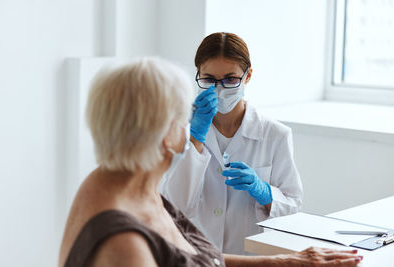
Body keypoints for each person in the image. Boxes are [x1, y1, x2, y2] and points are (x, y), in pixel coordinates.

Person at [58, 57, 362, 267]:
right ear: (166, 134)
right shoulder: (124, 246)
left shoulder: (122, 181)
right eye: (184, 119)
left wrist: (286, 261)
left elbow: (192, 256)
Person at [160, 32, 303, 254]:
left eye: (230, 79)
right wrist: (195, 138)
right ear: (198, 75)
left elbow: (293, 209)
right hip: (198, 255)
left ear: (247, 76)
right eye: (208, 79)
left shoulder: (275, 135)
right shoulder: (183, 132)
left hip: (250, 257)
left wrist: (265, 193)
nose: (219, 88)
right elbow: (176, 207)